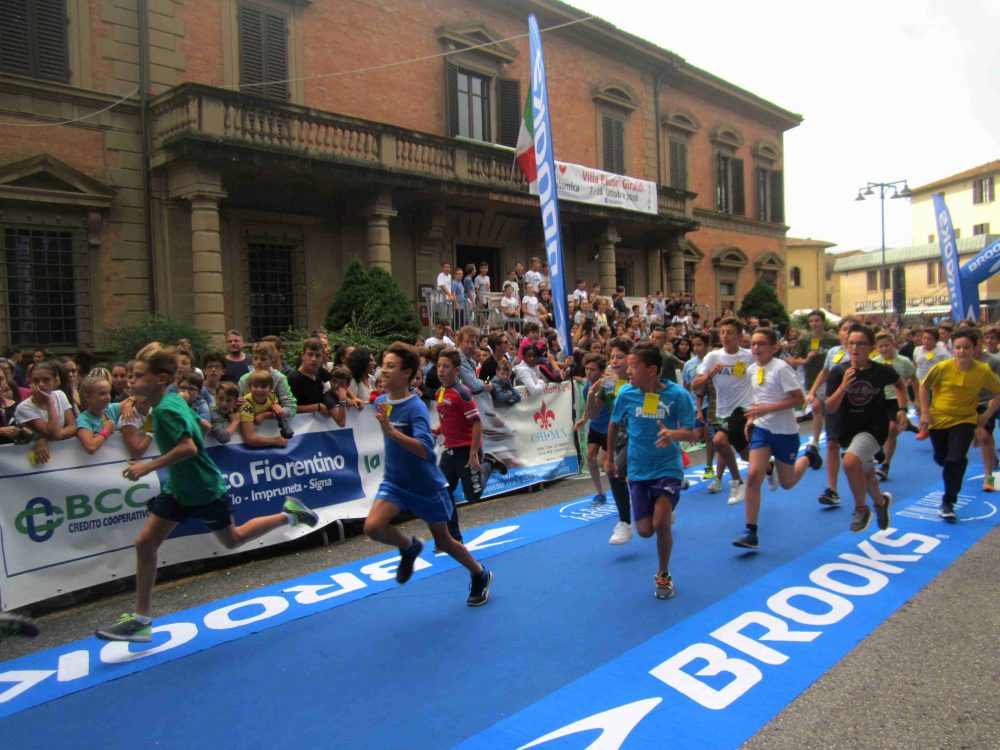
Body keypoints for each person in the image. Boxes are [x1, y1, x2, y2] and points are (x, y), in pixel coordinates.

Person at [96, 342, 318, 642]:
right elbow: (197, 430)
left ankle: (288, 514)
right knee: (145, 543)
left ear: (160, 379)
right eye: (131, 376)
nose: (132, 381)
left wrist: (148, 468)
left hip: (203, 487)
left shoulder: (166, 409)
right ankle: (141, 620)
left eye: (138, 375)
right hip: (179, 488)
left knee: (233, 539)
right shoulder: (170, 401)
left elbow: (187, 446)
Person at [363, 342, 493, 606]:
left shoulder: (416, 408)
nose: (384, 371)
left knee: (444, 541)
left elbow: (424, 449)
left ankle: (480, 573)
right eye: (383, 366)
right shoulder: (381, 401)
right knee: (373, 527)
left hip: (425, 485)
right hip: (395, 481)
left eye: (391, 366)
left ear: (407, 373)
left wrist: (392, 433)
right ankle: (409, 546)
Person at [606, 342, 697, 600]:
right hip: (638, 471)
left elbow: (693, 432)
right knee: (645, 530)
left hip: (668, 467)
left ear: (652, 369)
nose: (628, 369)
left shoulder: (677, 395)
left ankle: (663, 575)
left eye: (634, 365)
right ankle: (664, 510)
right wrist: (611, 459)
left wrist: (674, 434)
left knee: (661, 523)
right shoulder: (626, 394)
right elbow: (613, 425)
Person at [733, 328, 822, 550]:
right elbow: (758, 399)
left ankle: (810, 456)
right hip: (762, 430)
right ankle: (750, 531)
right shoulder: (752, 369)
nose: (756, 348)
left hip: (785, 432)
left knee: (787, 482)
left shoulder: (781, 369)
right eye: (753, 344)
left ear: (774, 347)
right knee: (754, 475)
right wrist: (751, 419)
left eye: (761, 344)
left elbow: (799, 400)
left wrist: (767, 409)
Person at [825, 325, 905, 534]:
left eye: (860, 343)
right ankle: (880, 503)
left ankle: (861, 508)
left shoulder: (881, 371)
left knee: (850, 462)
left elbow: (899, 384)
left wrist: (902, 409)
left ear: (871, 348)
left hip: (874, 427)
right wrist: (843, 387)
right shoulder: (839, 371)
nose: (855, 347)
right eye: (851, 343)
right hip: (848, 429)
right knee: (867, 475)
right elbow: (830, 407)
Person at [919, 328, 1000, 521]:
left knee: (954, 460)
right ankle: (956, 463)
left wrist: (987, 414)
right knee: (942, 459)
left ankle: (948, 501)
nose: (962, 351)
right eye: (958, 348)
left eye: (966, 347)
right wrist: (925, 412)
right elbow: (924, 386)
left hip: (965, 420)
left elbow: (998, 392)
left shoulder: (983, 370)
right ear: (952, 349)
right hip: (939, 420)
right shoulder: (942, 367)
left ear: (974, 348)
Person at [691, 317, 754, 505]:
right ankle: (767, 465)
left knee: (718, 440)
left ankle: (737, 482)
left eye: (730, 332)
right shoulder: (713, 357)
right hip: (723, 411)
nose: (725, 336)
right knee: (743, 454)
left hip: (744, 409)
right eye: (723, 332)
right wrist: (710, 374)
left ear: (739, 336)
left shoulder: (749, 355)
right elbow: (695, 385)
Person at [803, 316, 858, 506]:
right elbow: (824, 372)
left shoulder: (861, 354)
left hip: (857, 406)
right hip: (834, 402)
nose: (847, 333)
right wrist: (811, 392)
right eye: (844, 329)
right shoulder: (834, 352)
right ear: (839, 332)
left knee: (854, 450)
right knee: (832, 443)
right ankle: (832, 490)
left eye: (851, 329)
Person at [871, 331, 919, 481]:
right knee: (878, 430)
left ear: (893, 345)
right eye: (881, 347)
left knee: (892, 429)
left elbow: (914, 379)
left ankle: (885, 465)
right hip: (879, 399)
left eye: (887, 345)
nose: (884, 349)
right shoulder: (874, 362)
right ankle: (908, 426)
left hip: (896, 400)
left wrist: (916, 399)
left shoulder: (903, 361)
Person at [15, 360, 77, 465]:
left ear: (56, 381)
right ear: (29, 382)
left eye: (46, 380)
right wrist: (49, 402)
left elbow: (73, 426)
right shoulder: (24, 408)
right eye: (36, 380)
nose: (41, 384)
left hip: (60, 457)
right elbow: (54, 433)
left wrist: (44, 440)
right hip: (30, 462)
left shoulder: (60, 395)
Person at [574, 353, 610, 505]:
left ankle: (626, 484)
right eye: (587, 369)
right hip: (596, 426)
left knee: (605, 463)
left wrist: (592, 394)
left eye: (593, 369)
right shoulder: (587, 388)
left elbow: (596, 408)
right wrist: (583, 419)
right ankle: (600, 492)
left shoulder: (606, 387)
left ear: (601, 372)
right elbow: (590, 410)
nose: (588, 372)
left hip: (610, 428)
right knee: (590, 458)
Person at [240, 369, 293, 448]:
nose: (259, 389)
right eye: (255, 386)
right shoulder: (246, 405)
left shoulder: (272, 397)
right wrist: (275, 441)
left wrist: (265, 415)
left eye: (263, 386)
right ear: (250, 387)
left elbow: (277, 412)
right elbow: (249, 439)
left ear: (270, 388)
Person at [76, 375, 122, 454]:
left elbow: (134, 399)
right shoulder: (83, 419)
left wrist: (130, 402)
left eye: (109, 393)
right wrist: (106, 430)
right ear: (88, 397)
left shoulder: (111, 409)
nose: (108, 397)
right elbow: (90, 447)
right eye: (102, 393)